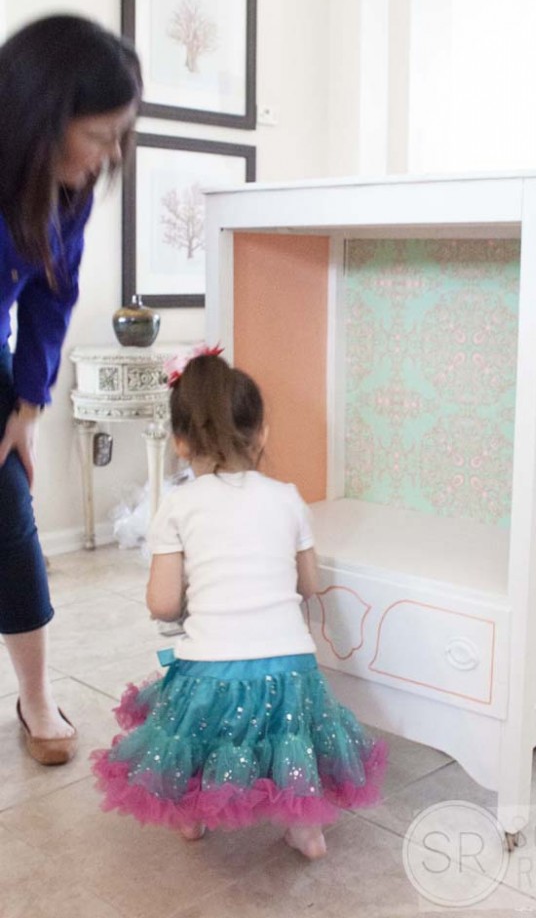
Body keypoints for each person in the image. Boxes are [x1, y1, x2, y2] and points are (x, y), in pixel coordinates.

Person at [91, 351, 387, 859]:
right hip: (291, 672)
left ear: (180, 443)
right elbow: (311, 584)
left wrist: (193, 591)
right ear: (262, 434)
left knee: (196, 729)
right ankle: (303, 827)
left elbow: (162, 605)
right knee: (287, 737)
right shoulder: (288, 498)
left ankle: (190, 812)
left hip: (212, 673)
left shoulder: (178, 506)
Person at [0, 14, 142, 764]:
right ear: (40, 120)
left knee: (10, 526)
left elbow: (52, 295)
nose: (113, 153)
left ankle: (35, 696)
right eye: (102, 134)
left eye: (123, 133)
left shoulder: (67, 192)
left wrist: (27, 405)